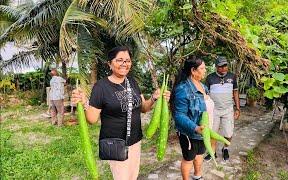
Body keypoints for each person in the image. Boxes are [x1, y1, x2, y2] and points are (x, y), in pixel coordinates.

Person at [71, 46, 170, 180]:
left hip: (135, 140)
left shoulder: (132, 82)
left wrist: (154, 98)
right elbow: (92, 119)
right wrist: (83, 103)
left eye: (127, 60)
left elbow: (144, 108)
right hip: (116, 143)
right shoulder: (101, 87)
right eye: (119, 60)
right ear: (110, 64)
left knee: (133, 176)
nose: (124, 64)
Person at [171, 56, 213, 180]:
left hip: (203, 131)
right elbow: (179, 115)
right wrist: (195, 127)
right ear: (193, 71)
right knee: (189, 158)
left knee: (200, 155)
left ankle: (197, 176)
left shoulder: (203, 86)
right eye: (202, 68)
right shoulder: (183, 89)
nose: (205, 70)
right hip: (190, 132)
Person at [205, 56, 240, 161]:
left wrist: (238, 108)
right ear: (216, 67)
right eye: (221, 66)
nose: (224, 68)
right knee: (212, 132)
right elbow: (205, 94)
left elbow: (235, 92)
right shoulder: (210, 78)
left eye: (225, 65)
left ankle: (225, 149)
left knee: (229, 133)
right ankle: (213, 152)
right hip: (214, 110)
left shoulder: (232, 77)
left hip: (228, 109)